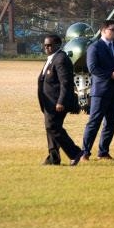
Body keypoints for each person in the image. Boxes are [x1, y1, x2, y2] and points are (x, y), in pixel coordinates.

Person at [81, 20, 114, 161]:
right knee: (94, 122)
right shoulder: (94, 47)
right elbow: (93, 68)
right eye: (112, 29)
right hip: (100, 92)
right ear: (103, 31)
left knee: (111, 123)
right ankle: (84, 152)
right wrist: (111, 75)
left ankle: (103, 152)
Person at [37, 34, 83, 166]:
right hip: (48, 102)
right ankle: (53, 158)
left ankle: (74, 153)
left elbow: (66, 83)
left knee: (53, 127)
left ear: (58, 45)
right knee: (50, 128)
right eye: (45, 45)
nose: (47, 47)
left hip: (56, 103)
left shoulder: (61, 59)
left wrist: (61, 102)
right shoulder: (52, 58)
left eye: (50, 45)